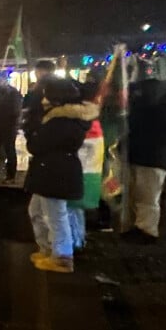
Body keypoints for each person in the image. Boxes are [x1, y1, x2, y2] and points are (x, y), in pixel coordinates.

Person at [26, 79, 89, 273]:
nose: (44, 100)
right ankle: (47, 248)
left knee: (56, 215)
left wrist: (33, 132)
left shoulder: (61, 121)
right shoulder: (65, 118)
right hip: (52, 171)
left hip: (54, 172)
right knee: (36, 210)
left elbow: (35, 145)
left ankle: (62, 256)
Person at [123, 79, 166, 244]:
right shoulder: (160, 111)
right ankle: (140, 227)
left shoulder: (151, 112)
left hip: (150, 160)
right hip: (146, 158)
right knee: (140, 196)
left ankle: (148, 230)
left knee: (147, 197)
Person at [69, 82, 103, 252]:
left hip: (79, 171)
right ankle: (78, 239)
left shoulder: (80, 119)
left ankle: (76, 242)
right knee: (76, 210)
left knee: (73, 208)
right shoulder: (94, 117)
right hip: (90, 171)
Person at [0, 77, 23, 183]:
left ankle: (11, 175)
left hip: (9, 126)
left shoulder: (13, 94)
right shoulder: (1, 93)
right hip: (2, 126)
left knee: (9, 150)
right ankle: (2, 172)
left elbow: (15, 111)